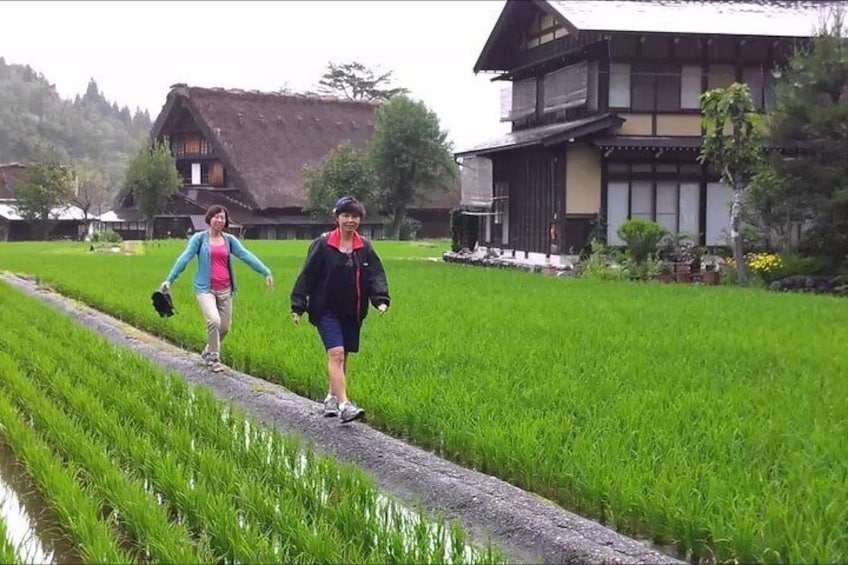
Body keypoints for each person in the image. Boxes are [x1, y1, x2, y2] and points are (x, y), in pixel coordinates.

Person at [290, 196, 390, 423]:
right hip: (325, 309)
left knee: (343, 355)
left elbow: (375, 274)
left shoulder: (364, 247)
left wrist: (380, 299)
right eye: (345, 215)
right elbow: (308, 274)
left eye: (354, 216)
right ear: (337, 218)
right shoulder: (324, 244)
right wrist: (298, 305)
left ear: (360, 219)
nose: (350, 220)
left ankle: (331, 398)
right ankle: (345, 404)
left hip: (352, 310)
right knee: (335, 353)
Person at [160, 204, 273, 372]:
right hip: (205, 289)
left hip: (225, 289)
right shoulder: (199, 239)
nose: (220, 220)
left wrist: (265, 271)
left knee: (225, 327)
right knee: (214, 321)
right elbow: (185, 258)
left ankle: (208, 351)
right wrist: (170, 280)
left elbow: (245, 255)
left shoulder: (229, 240)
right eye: (216, 216)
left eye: (223, 217)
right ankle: (214, 358)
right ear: (209, 219)